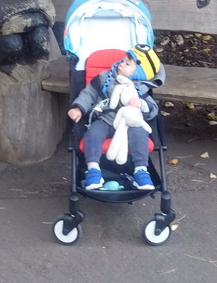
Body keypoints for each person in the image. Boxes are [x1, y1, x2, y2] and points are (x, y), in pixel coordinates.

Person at [67, 44, 165, 190]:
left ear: (139, 71)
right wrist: (78, 108)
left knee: (140, 135)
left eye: (127, 63)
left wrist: (141, 104)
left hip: (130, 123)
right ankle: (93, 169)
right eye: (122, 60)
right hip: (105, 119)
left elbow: (153, 108)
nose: (121, 64)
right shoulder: (104, 78)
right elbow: (89, 94)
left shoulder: (141, 87)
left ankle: (141, 171)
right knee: (92, 135)